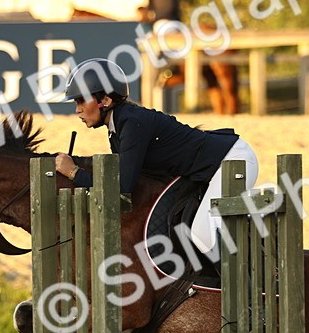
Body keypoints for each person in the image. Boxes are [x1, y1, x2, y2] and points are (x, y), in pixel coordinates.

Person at [53, 58, 257, 259]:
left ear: (105, 100)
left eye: (81, 100)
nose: (77, 109)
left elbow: (122, 186)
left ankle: (245, 290)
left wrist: (74, 172)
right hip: (212, 169)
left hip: (231, 162)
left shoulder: (132, 123)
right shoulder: (117, 128)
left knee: (202, 234)